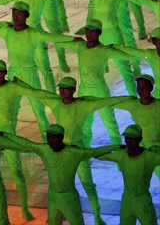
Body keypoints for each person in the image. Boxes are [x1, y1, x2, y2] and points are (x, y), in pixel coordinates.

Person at [18, 76, 131, 225]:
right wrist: (21, 84)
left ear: (72, 90)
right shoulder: (56, 102)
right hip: (60, 149)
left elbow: (103, 102)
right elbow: (38, 93)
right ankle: (57, 211)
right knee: (56, 181)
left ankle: (97, 215)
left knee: (88, 184)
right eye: (61, 89)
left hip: (77, 149)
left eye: (66, 89)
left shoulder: (82, 105)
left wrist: (127, 98)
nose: (63, 92)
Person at [0, 2, 76, 134]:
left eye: (19, 14)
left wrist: (73, 39)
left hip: (29, 73)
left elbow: (54, 37)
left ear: (26, 16)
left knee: (38, 110)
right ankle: (8, 139)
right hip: (13, 72)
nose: (15, 17)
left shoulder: (33, 33)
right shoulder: (7, 31)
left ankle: (47, 141)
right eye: (14, 13)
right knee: (11, 110)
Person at [8, 124, 119, 225]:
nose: (50, 140)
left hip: (69, 197)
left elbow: (94, 152)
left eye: (53, 137)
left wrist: (115, 147)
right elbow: (26, 143)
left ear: (61, 138)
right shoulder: (44, 149)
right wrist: (6, 135)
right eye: (48, 137)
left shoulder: (73, 153)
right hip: (53, 196)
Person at [54, 20, 138, 146]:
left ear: (99, 32)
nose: (89, 34)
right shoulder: (80, 47)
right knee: (85, 124)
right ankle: (85, 154)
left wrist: (149, 55)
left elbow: (128, 56)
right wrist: (72, 39)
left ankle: (119, 153)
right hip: (84, 90)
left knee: (110, 123)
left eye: (92, 31)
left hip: (100, 90)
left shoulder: (105, 50)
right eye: (87, 30)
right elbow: (58, 42)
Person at [96, 124, 160, 225]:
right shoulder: (121, 154)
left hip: (142, 199)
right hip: (127, 198)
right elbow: (97, 155)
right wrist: (114, 146)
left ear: (140, 139)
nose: (129, 141)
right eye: (127, 138)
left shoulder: (150, 156)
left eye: (133, 139)